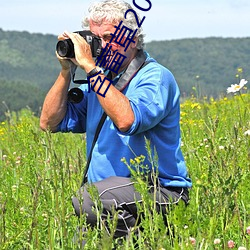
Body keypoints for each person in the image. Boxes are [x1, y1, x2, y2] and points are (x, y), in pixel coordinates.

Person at [40, 0, 192, 244]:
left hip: (160, 192)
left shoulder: (154, 77)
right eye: (95, 38)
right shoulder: (100, 80)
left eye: (109, 37)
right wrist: (66, 70)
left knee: (88, 200)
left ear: (132, 38)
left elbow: (127, 120)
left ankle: (146, 241)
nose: (101, 46)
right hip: (109, 198)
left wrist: (90, 68)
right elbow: (49, 123)